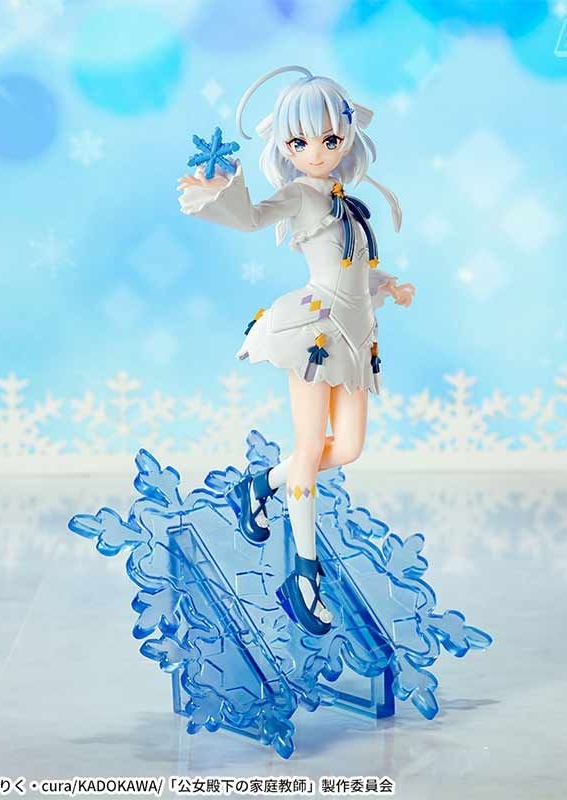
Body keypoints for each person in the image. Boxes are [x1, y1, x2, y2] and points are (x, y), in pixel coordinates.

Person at [177, 65, 415, 636]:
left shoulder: (344, 199)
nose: (316, 152)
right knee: (309, 447)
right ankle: (304, 576)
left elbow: (352, 268)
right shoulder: (299, 195)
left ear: (347, 136)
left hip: (356, 332)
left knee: (348, 447)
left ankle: (259, 485)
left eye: (330, 139)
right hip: (315, 330)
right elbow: (253, 218)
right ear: (285, 146)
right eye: (300, 142)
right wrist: (221, 191)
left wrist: (388, 286)